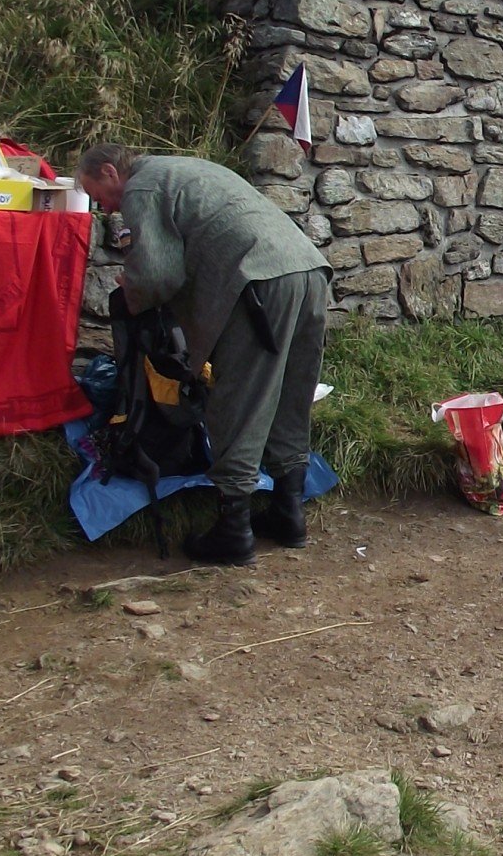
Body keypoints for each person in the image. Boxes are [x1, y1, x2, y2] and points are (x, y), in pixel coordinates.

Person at [75, 145, 331, 564]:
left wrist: (131, 289)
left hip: (260, 281)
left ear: (109, 171)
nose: (103, 208)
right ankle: (289, 512)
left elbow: (158, 274)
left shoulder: (143, 187)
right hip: (309, 270)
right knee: (289, 395)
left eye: (98, 195)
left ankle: (233, 531)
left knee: (241, 399)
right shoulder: (181, 170)